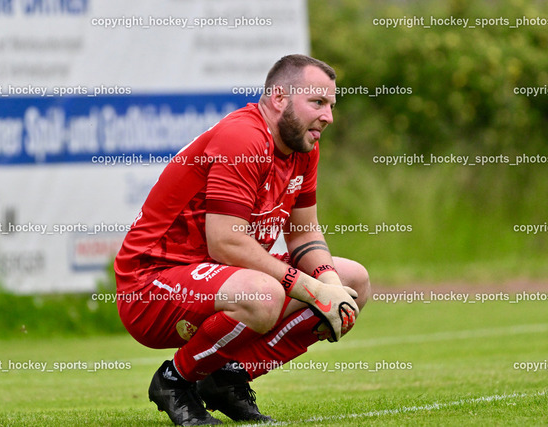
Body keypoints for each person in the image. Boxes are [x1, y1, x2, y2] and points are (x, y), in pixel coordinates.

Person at [114, 54, 371, 426]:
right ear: (279, 98)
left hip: (222, 278)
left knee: (353, 282)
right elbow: (226, 243)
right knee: (264, 295)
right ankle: (175, 381)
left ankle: (226, 376)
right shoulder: (244, 136)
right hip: (150, 287)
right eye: (317, 102)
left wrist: (329, 284)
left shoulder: (303, 148)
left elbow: (303, 232)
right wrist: (313, 290)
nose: (328, 116)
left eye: (331, 105)